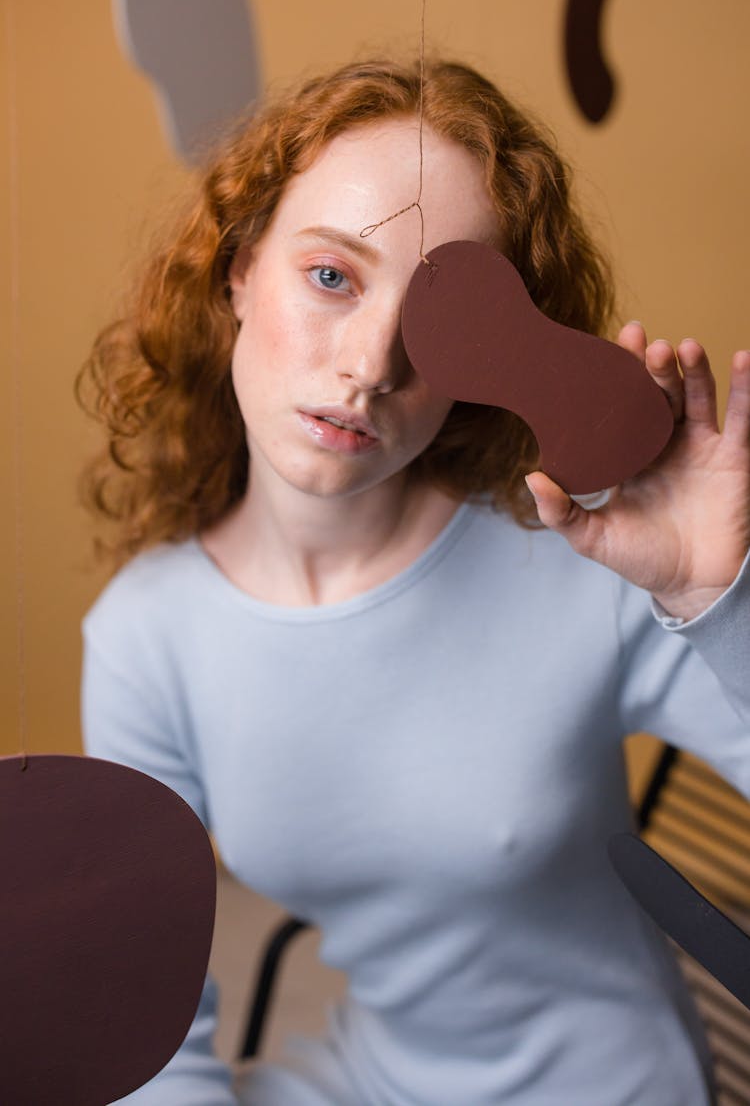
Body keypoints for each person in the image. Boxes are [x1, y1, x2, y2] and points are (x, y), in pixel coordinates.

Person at [77, 56, 750, 1105]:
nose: (371, 364)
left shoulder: (574, 557)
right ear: (239, 269)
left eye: (443, 324)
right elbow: (138, 1019)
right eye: (333, 276)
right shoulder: (145, 637)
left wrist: (719, 597)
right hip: (376, 1078)